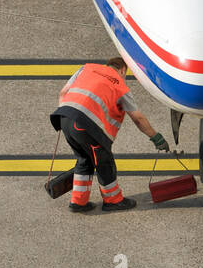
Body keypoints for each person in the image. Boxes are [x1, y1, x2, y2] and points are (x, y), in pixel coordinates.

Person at [50, 56, 169, 213]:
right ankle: (113, 200)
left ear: (107, 65)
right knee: (104, 162)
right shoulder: (119, 85)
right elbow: (138, 118)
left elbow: (63, 92)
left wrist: (67, 117)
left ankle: (78, 202)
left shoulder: (87, 68)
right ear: (122, 70)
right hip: (86, 127)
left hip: (64, 117)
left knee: (84, 159)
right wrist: (156, 137)